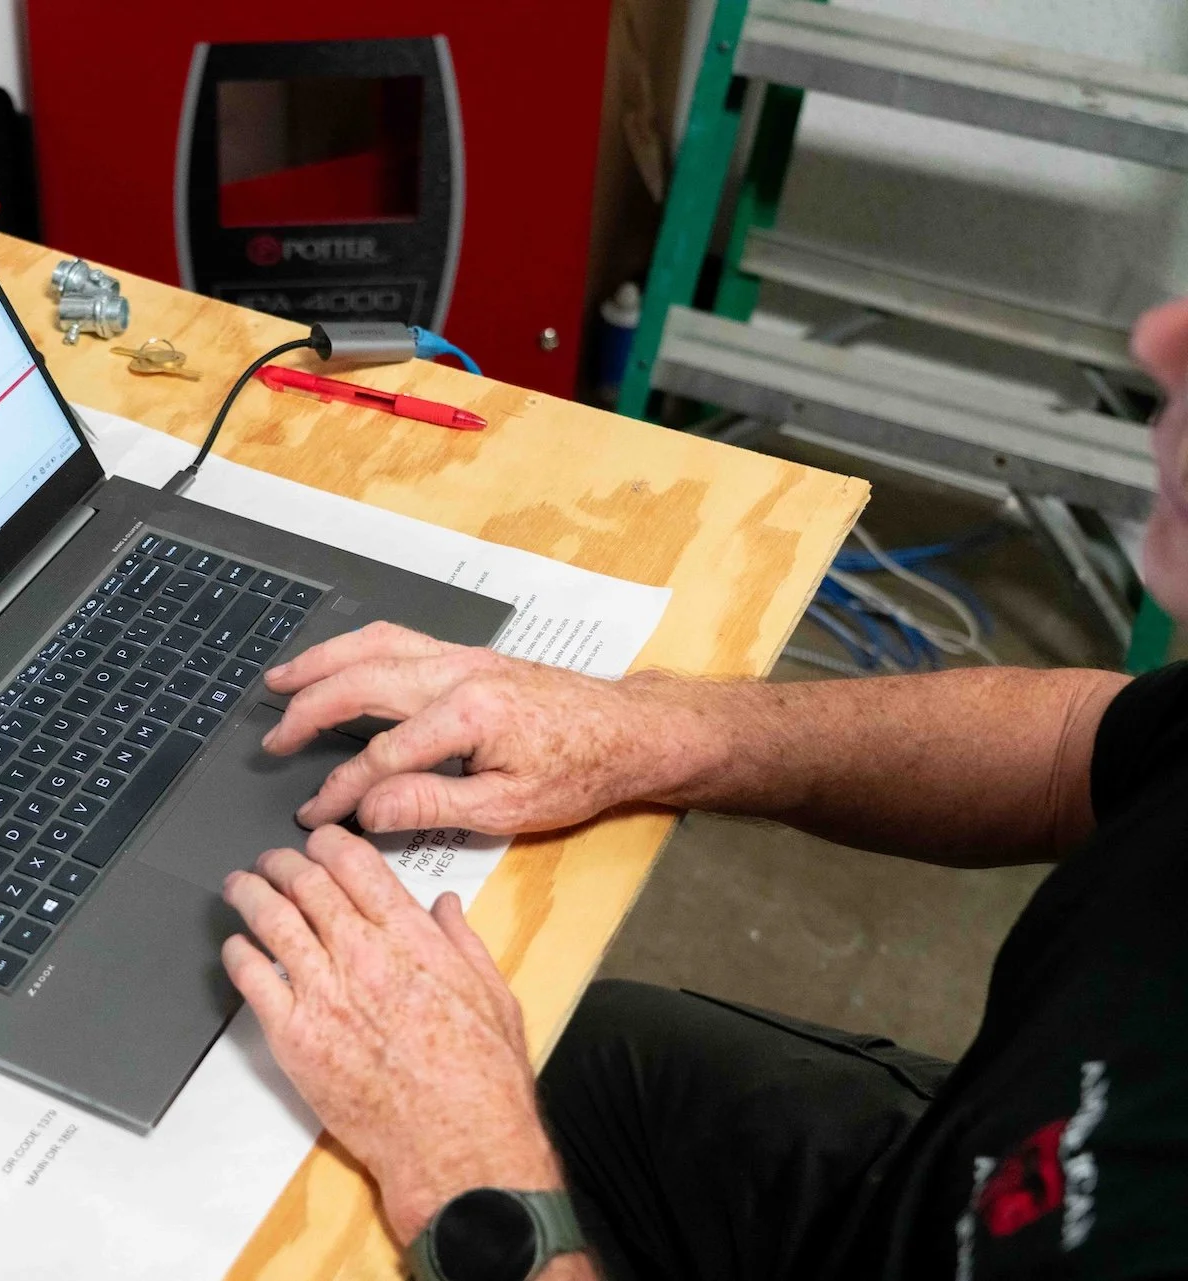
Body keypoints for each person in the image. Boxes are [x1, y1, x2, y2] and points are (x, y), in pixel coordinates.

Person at [217, 296, 1188, 1281]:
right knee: (582, 1047)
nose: (1165, 338)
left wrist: (471, 1175)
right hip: (968, 1167)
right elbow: (1078, 750)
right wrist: (656, 731)